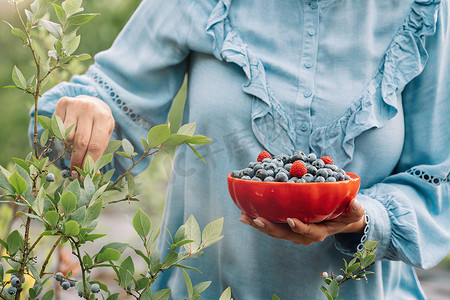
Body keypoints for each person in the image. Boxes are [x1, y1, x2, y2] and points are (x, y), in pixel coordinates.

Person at [31, 0, 450, 299]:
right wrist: (85, 116)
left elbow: (438, 179)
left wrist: (365, 219)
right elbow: (108, 107)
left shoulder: (422, 12)